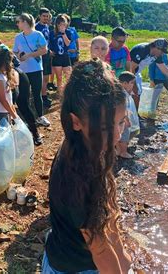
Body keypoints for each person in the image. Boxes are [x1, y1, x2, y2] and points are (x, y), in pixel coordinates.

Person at [44, 60, 132, 273]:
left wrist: (124, 258)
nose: (117, 135)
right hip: (72, 267)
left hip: (73, 250)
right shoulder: (77, 175)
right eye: (104, 127)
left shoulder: (87, 145)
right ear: (75, 121)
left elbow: (106, 214)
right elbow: (100, 250)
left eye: (121, 122)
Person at [13, 13, 51, 127]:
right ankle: (26, 118)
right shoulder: (18, 37)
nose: (17, 24)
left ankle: (40, 116)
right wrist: (18, 55)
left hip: (36, 69)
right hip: (22, 70)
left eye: (18, 21)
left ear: (25, 22)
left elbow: (44, 50)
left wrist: (29, 55)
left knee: (36, 93)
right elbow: (14, 51)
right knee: (23, 95)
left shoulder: (38, 35)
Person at [129, 38, 168, 108]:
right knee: (132, 93)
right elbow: (131, 68)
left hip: (136, 73)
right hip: (127, 72)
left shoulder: (157, 55)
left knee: (137, 94)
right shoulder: (142, 50)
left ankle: (136, 117)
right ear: (156, 47)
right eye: (162, 51)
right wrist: (134, 84)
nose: (163, 53)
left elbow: (165, 70)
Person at [49, 14, 72, 94]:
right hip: (57, 57)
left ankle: (68, 91)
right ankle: (59, 92)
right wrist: (50, 51)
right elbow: (49, 45)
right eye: (60, 24)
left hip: (65, 56)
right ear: (57, 24)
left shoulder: (68, 32)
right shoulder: (52, 33)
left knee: (68, 75)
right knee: (59, 77)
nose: (62, 26)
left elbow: (68, 43)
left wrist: (63, 33)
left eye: (64, 24)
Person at [35, 8, 54, 107]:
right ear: (39, 16)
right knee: (39, 78)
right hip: (38, 56)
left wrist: (49, 50)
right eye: (44, 16)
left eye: (47, 16)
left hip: (46, 55)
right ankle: (38, 97)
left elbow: (47, 41)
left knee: (46, 77)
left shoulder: (47, 26)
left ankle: (44, 95)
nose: (46, 18)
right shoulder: (36, 27)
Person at [117, 71, 137, 159]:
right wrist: (127, 120)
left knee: (118, 134)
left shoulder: (120, 91)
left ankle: (118, 150)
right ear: (124, 83)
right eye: (132, 83)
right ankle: (123, 152)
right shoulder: (123, 94)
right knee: (124, 135)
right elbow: (124, 109)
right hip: (123, 119)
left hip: (119, 119)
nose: (133, 85)